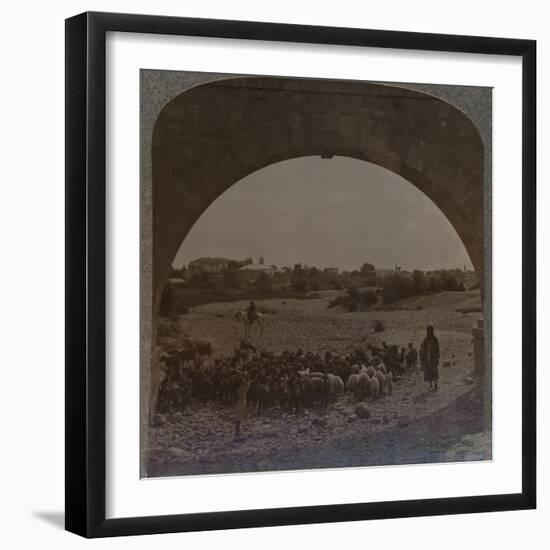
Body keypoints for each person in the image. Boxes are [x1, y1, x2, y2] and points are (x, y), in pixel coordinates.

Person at [420, 325, 440, 390]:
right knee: (428, 371)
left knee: (434, 371)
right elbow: (423, 349)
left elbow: (437, 349)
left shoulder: (435, 339)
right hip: (427, 358)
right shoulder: (425, 340)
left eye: (430, 331)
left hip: (434, 358)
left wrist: (437, 357)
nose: (429, 332)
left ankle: (436, 384)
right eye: (428, 331)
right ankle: (430, 385)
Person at [234, 373, 250, 439]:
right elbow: (247, 385)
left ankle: (238, 431)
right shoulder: (242, 389)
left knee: (239, 418)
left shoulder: (239, 389)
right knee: (239, 418)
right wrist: (245, 378)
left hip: (240, 404)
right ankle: (237, 432)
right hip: (241, 405)